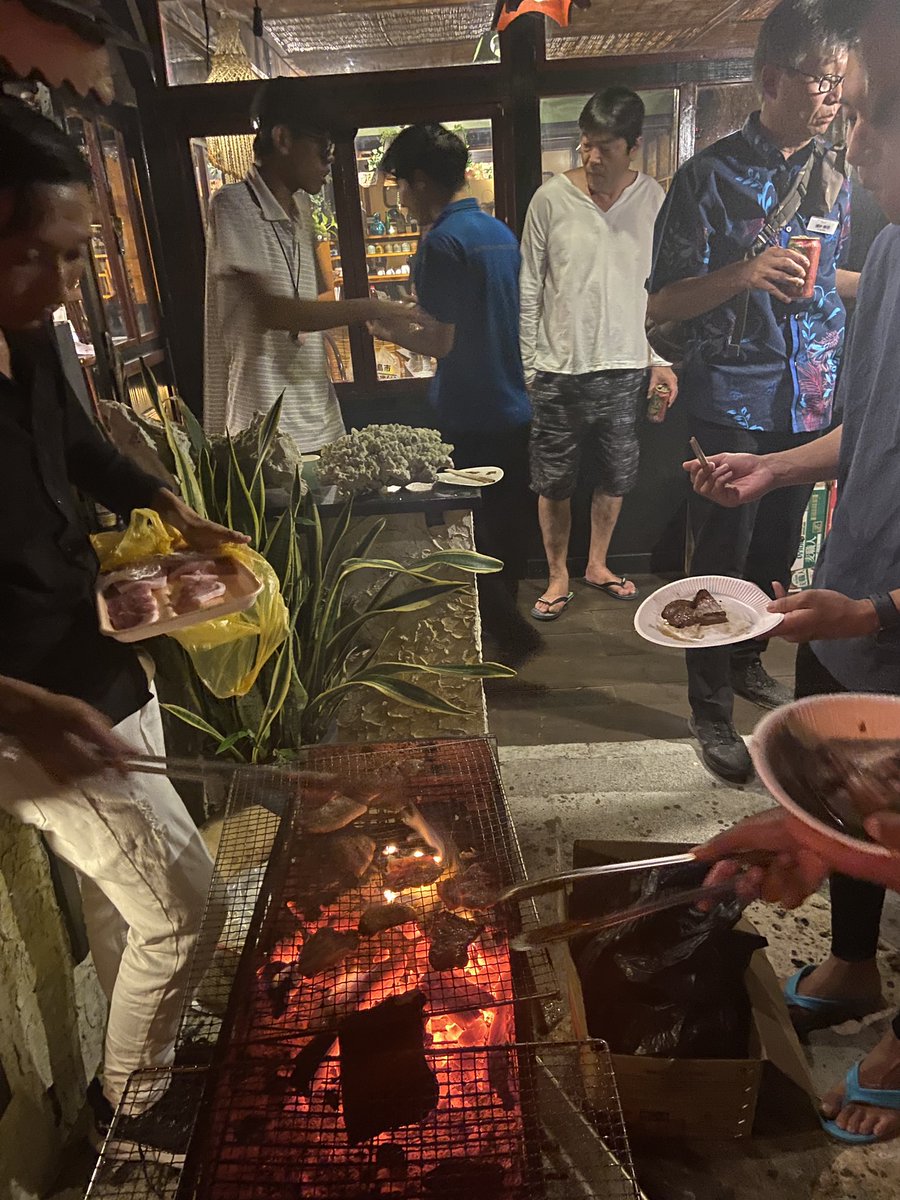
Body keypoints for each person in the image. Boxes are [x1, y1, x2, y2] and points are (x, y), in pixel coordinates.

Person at [0, 98, 249, 1156]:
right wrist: (19, 709)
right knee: (188, 903)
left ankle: (141, 1043)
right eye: (39, 257)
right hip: (23, 707)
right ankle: (132, 1111)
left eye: (75, 256)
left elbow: (85, 454)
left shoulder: (35, 332)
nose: (64, 286)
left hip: (91, 649)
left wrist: (172, 505)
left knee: (131, 902)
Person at [686, 0, 900, 1142]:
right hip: (857, 569)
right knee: (847, 789)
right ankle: (860, 973)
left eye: (868, 116)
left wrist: (884, 606)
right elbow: (865, 435)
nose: (850, 141)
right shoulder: (892, 250)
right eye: (845, 109)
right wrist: (773, 473)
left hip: (891, 598)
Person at [648, 0, 852, 785]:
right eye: (821, 80)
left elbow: (856, 276)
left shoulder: (844, 172)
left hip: (810, 401)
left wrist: (827, 282)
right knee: (716, 565)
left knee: (774, 557)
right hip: (728, 400)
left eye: (841, 83)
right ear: (772, 79)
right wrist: (742, 274)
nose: (834, 97)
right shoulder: (707, 177)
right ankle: (709, 709)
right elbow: (661, 304)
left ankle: (746, 663)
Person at [369, 123, 542, 666]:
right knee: (508, 525)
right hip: (514, 403)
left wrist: (386, 328)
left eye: (399, 186)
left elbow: (442, 340)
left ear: (421, 181)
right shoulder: (499, 234)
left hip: (467, 410)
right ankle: (507, 634)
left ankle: (504, 634)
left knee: (467, 530)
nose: (399, 200)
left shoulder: (440, 243)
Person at [520, 88, 678, 619]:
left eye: (605, 148)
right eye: (585, 145)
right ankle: (558, 573)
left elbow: (664, 290)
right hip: (558, 367)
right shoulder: (550, 199)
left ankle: (598, 564)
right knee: (553, 480)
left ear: (632, 146)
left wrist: (661, 359)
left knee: (617, 474)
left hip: (627, 363)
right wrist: (527, 365)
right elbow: (528, 287)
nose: (591, 158)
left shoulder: (652, 198)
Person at [204, 78, 407, 453]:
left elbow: (307, 301)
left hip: (319, 416)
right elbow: (275, 313)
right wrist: (376, 306)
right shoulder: (233, 205)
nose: (330, 161)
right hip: (262, 425)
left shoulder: (302, 210)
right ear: (282, 139)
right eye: (324, 147)